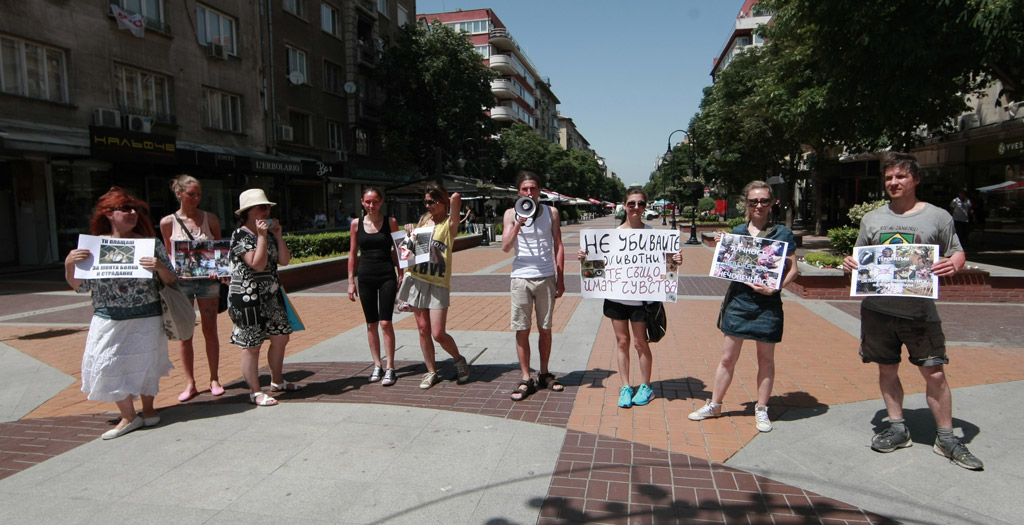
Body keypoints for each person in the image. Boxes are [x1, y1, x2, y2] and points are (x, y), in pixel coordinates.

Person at [842, 152, 982, 470]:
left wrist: (954, 264)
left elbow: (957, 251)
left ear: (915, 179)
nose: (894, 182)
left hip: (920, 312)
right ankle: (897, 428)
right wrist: (850, 265)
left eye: (901, 176)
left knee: (934, 373)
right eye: (889, 177)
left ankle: (946, 437)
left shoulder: (937, 217)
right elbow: (860, 260)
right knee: (887, 370)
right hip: (877, 310)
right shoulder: (872, 219)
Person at [64, 187, 175, 439]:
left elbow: (170, 280)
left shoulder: (150, 244)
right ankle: (128, 415)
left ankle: (148, 409)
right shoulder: (96, 245)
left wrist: (158, 266)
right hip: (108, 316)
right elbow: (80, 287)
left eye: (134, 209)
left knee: (147, 363)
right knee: (108, 363)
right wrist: (69, 265)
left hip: (147, 314)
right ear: (109, 214)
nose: (133, 213)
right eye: (125, 209)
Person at [688, 181, 798, 432]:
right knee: (728, 357)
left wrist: (776, 287)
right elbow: (728, 266)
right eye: (753, 202)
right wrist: (722, 248)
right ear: (746, 204)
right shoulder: (737, 231)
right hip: (739, 301)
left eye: (764, 201)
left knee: (765, 359)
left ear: (772, 204)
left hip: (768, 304)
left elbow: (794, 269)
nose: (758, 206)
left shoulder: (782, 233)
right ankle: (715, 405)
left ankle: (761, 409)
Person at [580, 188, 682, 409]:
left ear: (646, 207)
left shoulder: (653, 235)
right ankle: (626, 386)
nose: (636, 208)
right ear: (624, 206)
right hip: (617, 299)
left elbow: (668, 268)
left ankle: (646, 386)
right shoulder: (611, 237)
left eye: (641, 204)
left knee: (640, 343)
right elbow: (598, 270)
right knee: (622, 342)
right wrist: (586, 258)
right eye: (632, 204)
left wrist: (675, 260)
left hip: (642, 300)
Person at [228, 188, 301, 406]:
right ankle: (255, 391)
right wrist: (260, 236)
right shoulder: (240, 235)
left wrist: (277, 235)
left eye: (268, 207)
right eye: (262, 207)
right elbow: (257, 264)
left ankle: (277, 381)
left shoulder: (268, 234)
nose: (267, 210)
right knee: (252, 345)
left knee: (281, 337)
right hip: (248, 297)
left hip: (272, 293)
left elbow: (285, 260)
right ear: (249, 212)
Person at [396, 184, 471, 390]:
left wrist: (449, 198)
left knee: (438, 332)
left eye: (432, 202)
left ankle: (458, 359)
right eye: (426, 201)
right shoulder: (424, 221)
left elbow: (456, 198)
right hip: (417, 278)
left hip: (438, 282)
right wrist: (409, 230)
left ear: (443, 201)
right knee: (423, 330)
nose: (428, 206)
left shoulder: (449, 224)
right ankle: (431, 371)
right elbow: (409, 248)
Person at [159, 175, 225, 402]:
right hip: (182, 283)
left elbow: (219, 249)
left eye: (198, 194)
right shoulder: (168, 223)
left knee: (210, 329)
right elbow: (169, 255)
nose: (196, 198)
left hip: (208, 281)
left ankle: (214, 378)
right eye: (191, 194)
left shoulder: (210, 218)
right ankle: (190, 383)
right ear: (179, 194)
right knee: (184, 333)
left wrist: (220, 268)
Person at [502, 171, 566, 401]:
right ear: (519, 191)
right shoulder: (510, 213)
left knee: (545, 327)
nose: (529, 193)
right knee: (522, 328)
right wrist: (518, 223)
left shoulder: (551, 212)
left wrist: (561, 277)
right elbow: (505, 247)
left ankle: (545, 372)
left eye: (533, 189)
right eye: (525, 189)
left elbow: (558, 245)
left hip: (546, 276)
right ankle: (526, 376)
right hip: (520, 277)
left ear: (540, 190)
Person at [348, 187, 402, 386]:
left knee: (386, 322)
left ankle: (390, 367)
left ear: (381, 202)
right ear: (362, 202)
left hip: (386, 274)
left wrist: (401, 273)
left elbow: (398, 249)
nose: (371, 206)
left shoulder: (391, 222)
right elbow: (353, 254)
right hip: (366, 277)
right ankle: (377, 364)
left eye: (375, 202)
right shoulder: (356, 224)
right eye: (368, 202)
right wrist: (350, 282)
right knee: (371, 323)